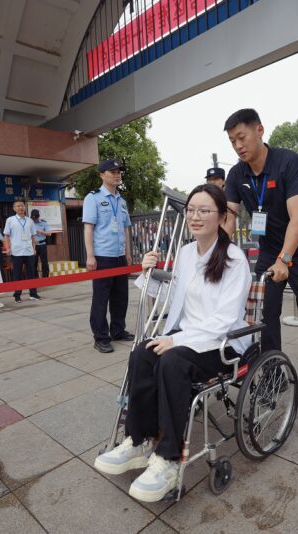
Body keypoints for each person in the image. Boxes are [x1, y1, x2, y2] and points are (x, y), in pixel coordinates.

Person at [93, 184, 251, 503]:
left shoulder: (235, 259)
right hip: (186, 339)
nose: (195, 216)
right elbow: (173, 298)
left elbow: (223, 320)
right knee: (141, 353)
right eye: (191, 210)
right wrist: (147, 273)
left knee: (171, 361)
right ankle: (138, 440)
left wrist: (176, 339)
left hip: (222, 345)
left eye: (204, 210)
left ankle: (168, 459)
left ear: (222, 217)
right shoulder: (186, 253)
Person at [222, 108, 298, 369]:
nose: (238, 146)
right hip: (269, 249)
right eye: (232, 141)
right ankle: (272, 371)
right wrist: (217, 252)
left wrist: (284, 260)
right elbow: (229, 216)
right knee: (265, 310)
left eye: (241, 137)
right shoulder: (236, 175)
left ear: (259, 130)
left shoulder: (289, 163)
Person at [83, 159, 134, 353]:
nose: (117, 175)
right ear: (102, 175)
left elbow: (126, 228)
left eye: (119, 171)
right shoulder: (93, 198)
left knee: (121, 297)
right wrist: (90, 256)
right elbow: (89, 227)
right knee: (101, 299)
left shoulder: (122, 201)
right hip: (103, 256)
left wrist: (128, 253)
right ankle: (101, 337)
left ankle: (118, 331)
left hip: (120, 256)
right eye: (112, 171)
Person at [3, 199, 41, 303]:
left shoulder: (30, 221)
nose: (21, 208)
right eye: (18, 206)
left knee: (31, 273)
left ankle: (33, 294)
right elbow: (6, 235)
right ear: (14, 208)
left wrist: (34, 248)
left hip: (29, 251)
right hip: (16, 251)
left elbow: (33, 236)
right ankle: (17, 295)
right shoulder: (10, 220)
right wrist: (8, 248)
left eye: (22, 206)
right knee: (17, 274)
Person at [31, 209, 51, 277]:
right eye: (33, 218)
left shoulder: (44, 223)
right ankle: (35, 278)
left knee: (44, 262)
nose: (34, 220)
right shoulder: (30, 223)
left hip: (42, 245)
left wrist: (41, 232)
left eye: (36, 218)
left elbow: (49, 233)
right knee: (34, 263)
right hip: (34, 245)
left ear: (38, 216)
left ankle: (45, 277)